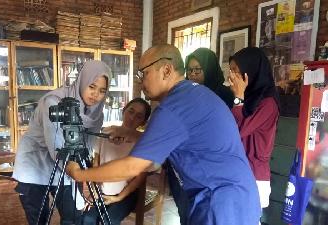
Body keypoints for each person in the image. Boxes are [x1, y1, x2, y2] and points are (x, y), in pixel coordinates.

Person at [67, 44, 261, 225]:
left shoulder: (174, 107)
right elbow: (177, 140)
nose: (141, 81)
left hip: (221, 202)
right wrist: (129, 133)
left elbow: (133, 167)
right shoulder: (192, 94)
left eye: (143, 73)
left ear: (166, 70)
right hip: (231, 196)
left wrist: (79, 174)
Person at [12, 60, 111, 225]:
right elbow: (56, 145)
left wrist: (86, 170)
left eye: (102, 91)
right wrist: (79, 174)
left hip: (67, 164)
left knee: (73, 217)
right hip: (36, 163)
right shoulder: (54, 102)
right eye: (92, 87)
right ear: (82, 81)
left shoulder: (96, 113)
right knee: (38, 218)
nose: (96, 95)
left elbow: (87, 145)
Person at [167, 47, 236, 225]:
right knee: (185, 211)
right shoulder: (185, 94)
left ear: (209, 68)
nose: (193, 74)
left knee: (205, 213)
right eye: (190, 70)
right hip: (184, 163)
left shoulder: (224, 95)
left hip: (209, 165)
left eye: (198, 69)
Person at [82, 98, 152, 225]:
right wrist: (94, 187)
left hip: (126, 194)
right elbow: (96, 162)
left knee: (108, 221)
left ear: (143, 122)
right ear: (123, 110)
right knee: (87, 219)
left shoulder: (143, 142)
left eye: (139, 116)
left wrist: (119, 197)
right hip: (102, 189)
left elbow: (140, 177)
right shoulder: (106, 132)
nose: (132, 118)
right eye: (131, 111)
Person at [228, 47, 280, 216]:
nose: (231, 77)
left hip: (254, 175)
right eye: (231, 71)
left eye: (236, 71)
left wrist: (238, 97)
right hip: (240, 170)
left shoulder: (268, 103)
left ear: (250, 71)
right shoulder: (249, 98)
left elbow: (238, 130)